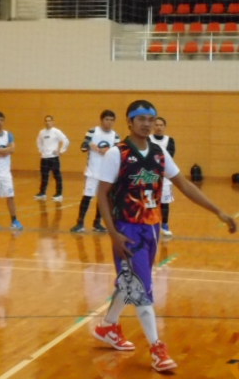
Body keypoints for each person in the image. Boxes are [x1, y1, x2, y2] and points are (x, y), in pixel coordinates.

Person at [93, 99, 236, 373]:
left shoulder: (159, 154)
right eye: (141, 118)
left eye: (151, 118)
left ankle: (107, 326)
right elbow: (102, 194)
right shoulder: (117, 153)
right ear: (130, 122)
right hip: (127, 229)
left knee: (131, 281)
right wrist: (112, 233)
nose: (147, 123)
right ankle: (157, 348)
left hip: (152, 227)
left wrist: (218, 211)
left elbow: (184, 185)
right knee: (142, 287)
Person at [70, 110, 120, 233]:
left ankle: (97, 223)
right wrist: (90, 146)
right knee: (87, 196)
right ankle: (80, 223)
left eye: (111, 120)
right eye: (107, 119)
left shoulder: (115, 136)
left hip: (107, 173)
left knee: (103, 199)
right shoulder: (93, 131)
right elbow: (83, 147)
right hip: (93, 171)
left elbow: (118, 154)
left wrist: (108, 151)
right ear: (101, 120)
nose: (109, 122)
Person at [149, 117, 176, 236]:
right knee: (149, 201)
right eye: (156, 125)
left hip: (165, 176)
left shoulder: (170, 140)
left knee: (165, 202)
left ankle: (164, 225)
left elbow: (169, 156)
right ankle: (149, 223)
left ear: (164, 127)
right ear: (153, 126)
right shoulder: (147, 139)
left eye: (161, 125)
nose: (158, 127)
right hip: (150, 176)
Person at [35, 115, 69, 202]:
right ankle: (42, 193)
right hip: (44, 158)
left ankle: (59, 194)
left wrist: (61, 151)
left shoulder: (56, 132)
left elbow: (66, 141)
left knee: (57, 176)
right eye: (46, 121)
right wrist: (41, 150)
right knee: (44, 176)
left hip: (54, 158)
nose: (48, 122)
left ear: (53, 122)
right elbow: (38, 142)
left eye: (49, 120)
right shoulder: (41, 132)